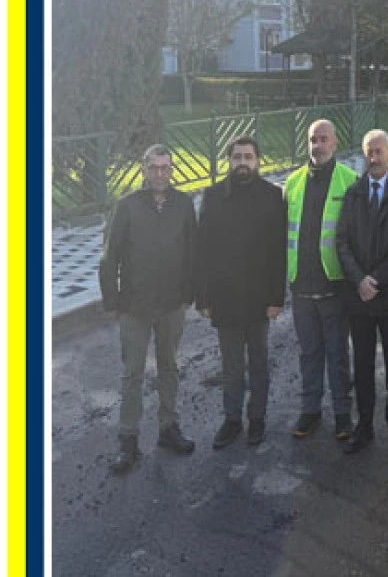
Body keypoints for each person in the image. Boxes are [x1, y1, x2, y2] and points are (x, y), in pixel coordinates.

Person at [99, 145, 197, 474]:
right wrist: (111, 301)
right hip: (134, 306)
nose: (159, 174)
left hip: (171, 303)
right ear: (143, 170)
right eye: (153, 167)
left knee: (169, 367)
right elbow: (109, 257)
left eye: (165, 168)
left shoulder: (183, 204)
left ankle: (169, 428)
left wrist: (189, 294)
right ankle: (128, 440)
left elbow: (192, 250)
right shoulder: (126, 206)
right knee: (132, 373)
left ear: (172, 170)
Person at [194, 136, 287, 449]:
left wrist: (277, 298)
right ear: (229, 161)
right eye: (237, 157)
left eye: (248, 157)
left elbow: (278, 252)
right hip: (225, 299)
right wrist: (203, 297)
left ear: (257, 161)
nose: (243, 163)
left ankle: (257, 419)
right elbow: (202, 250)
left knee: (258, 363)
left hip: (259, 300)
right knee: (231, 365)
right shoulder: (213, 196)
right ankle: (232, 420)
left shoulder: (273, 196)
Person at [336, 129, 388, 456]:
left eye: (379, 151)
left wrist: (376, 280)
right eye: (369, 151)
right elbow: (342, 242)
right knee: (363, 365)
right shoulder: (353, 193)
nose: (374, 157)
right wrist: (359, 280)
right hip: (360, 298)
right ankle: (364, 425)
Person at [284, 119, 359, 440]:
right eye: (313, 139)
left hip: (334, 286)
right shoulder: (292, 183)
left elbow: (357, 237)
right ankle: (310, 409)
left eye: (323, 139)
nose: (318, 145)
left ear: (335, 142)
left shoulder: (350, 181)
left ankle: (342, 414)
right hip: (301, 286)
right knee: (309, 354)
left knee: (337, 354)